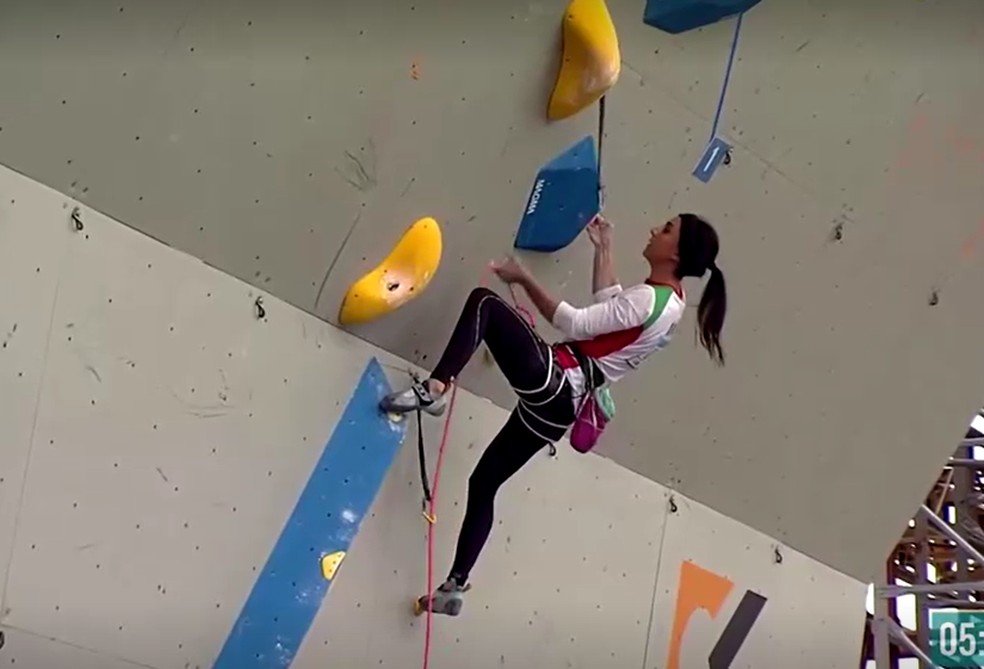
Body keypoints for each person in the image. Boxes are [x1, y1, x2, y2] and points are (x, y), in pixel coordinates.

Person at [380, 212, 728, 616]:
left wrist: (523, 277)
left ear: (677, 253)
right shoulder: (671, 305)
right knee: (484, 483)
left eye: (666, 230)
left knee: (486, 305)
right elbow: (612, 308)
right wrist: (604, 248)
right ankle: (454, 585)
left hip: (559, 382)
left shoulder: (650, 300)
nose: (654, 230)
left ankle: (435, 389)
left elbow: (576, 323)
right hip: (558, 413)